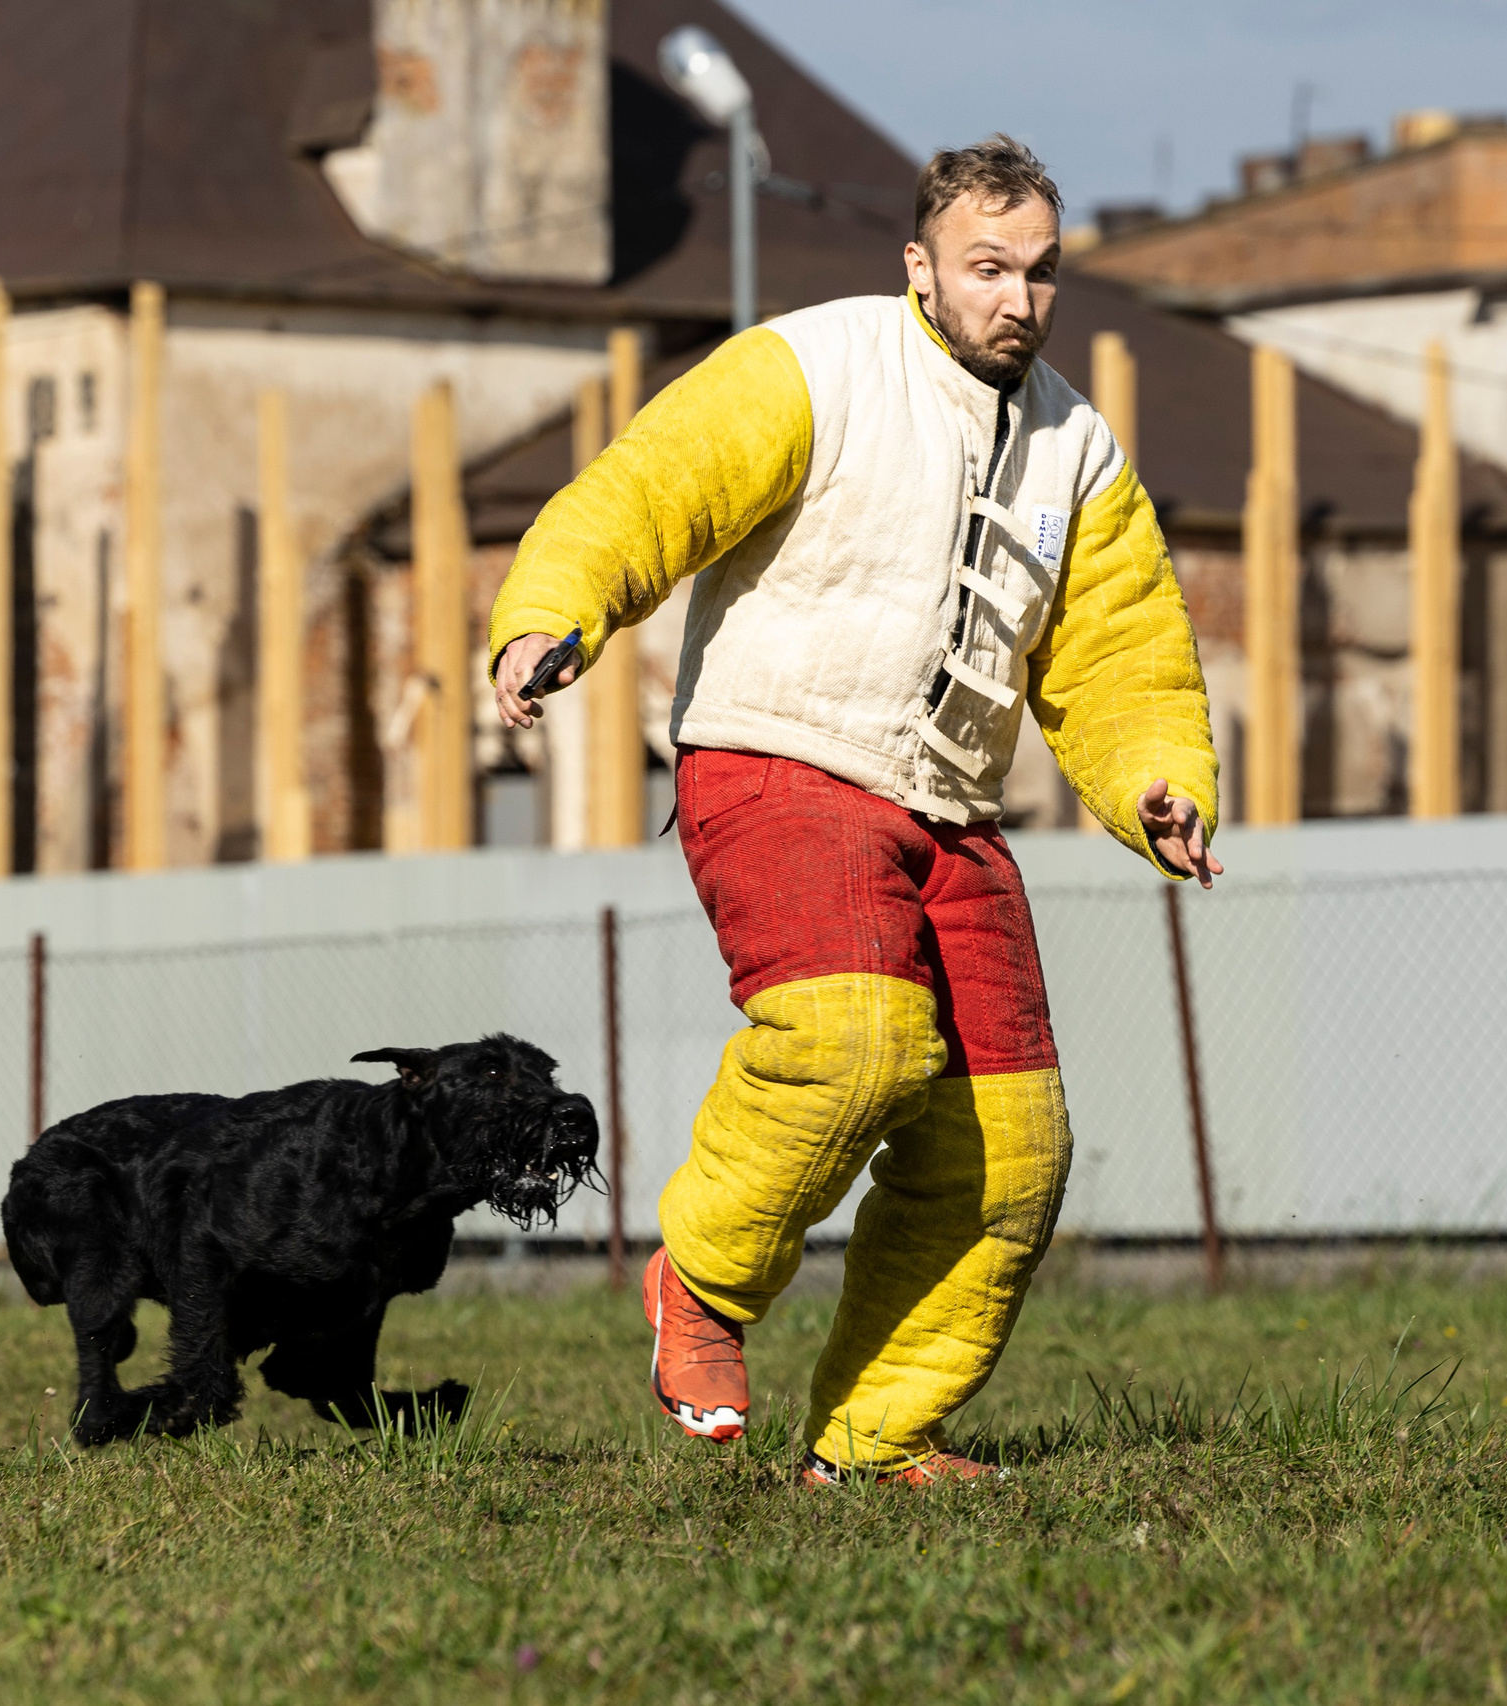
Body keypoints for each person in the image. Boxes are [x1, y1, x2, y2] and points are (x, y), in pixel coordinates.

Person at [487, 134, 1220, 1485]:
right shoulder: (814, 366)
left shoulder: (1080, 447)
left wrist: (1155, 782)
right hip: (782, 760)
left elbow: (1118, 648)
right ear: (922, 267)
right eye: (987, 267)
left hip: (947, 808)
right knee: (856, 1040)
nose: (1018, 298)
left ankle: (877, 1440)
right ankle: (700, 1287)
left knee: (1010, 1152)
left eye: (1042, 272)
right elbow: (653, 489)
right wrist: (552, 614)